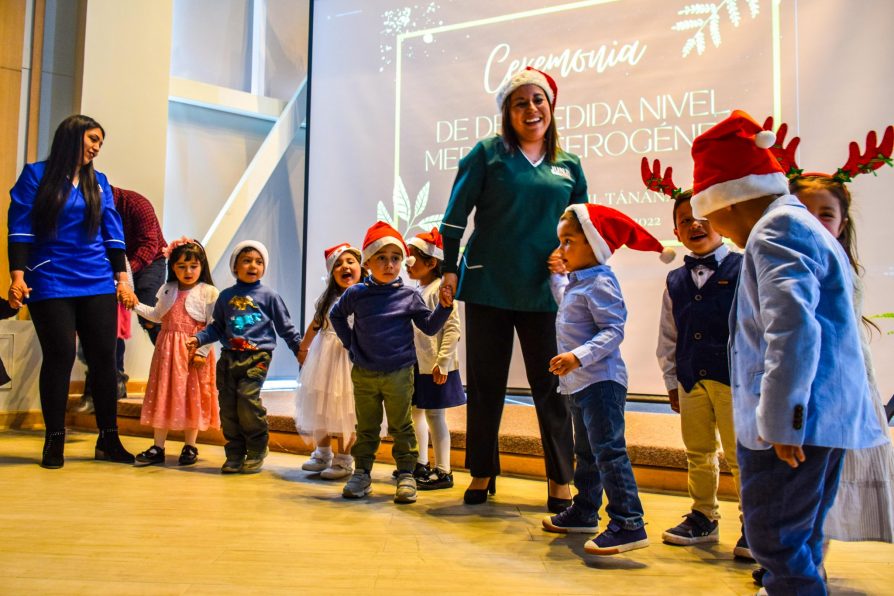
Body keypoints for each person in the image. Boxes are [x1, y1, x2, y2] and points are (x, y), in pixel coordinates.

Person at [689, 110, 888, 594]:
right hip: (821, 417)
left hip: (797, 423)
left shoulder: (776, 230)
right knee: (801, 535)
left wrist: (783, 420)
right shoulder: (798, 224)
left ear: (730, 201)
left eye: (708, 213)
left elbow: (792, 329)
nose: (711, 225)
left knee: (775, 538)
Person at [751, 122, 894, 587]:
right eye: (804, 212)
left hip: (820, 406)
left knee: (795, 518)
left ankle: (800, 577)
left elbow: (800, 335)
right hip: (809, 405)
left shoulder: (835, 271)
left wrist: (786, 417)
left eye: (825, 215)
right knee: (802, 517)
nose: (813, 223)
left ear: (842, 222)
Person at [439, 67, 587, 510]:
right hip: (489, 284)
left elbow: (581, 226)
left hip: (545, 289)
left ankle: (561, 479)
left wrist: (568, 255)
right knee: (486, 385)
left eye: (537, 100)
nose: (531, 109)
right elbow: (455, 215)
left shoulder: (569, 164)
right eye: (520, 102)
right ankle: (482, 471)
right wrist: (449, 268)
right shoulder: (487, 154)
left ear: (551, 107)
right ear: (507, 111)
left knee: (553, 387)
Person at [540, 203, 673, 555]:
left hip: (601, 382)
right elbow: (567, 308)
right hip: (580, 384)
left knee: (608, 452)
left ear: (594, 244)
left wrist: (576, 356)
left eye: (568, 241)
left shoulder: (600, 281)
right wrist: (557, 277)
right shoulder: (577, 284)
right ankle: (585, 511)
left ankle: (629, 522)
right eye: (561, 242)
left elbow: (613, 330)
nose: (561, 250)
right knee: (586, 452)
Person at [7, 114, 137, 468]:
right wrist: (17, 276)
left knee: (104, 360)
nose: (96, 147)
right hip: (50, 278)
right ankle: (54, 441)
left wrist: (121, 278)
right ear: (72, 137)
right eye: (92, 139)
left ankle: (108, 439)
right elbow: (20, 228)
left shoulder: (100, 182)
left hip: (96, 279)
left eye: (100, 142)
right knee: (61, 355)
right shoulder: (36, 175)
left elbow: (113, 233)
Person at [645, 159, 750, 557]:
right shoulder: (675, 279)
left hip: (733, 379)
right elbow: (668, 335)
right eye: (685, 220)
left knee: (741, 455)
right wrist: (672, 381)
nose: (695, 225)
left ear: (720, 220)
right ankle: (703, 515)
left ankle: (751, 522)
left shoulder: (744, 268)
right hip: (691, 380)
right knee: (698, 450)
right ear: (676, 232)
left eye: (703, 216)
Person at [330, 222, 454, 504]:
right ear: (369, 261)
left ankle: (407, 473)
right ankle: (361, 473)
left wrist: (444, 308)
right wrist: (351, 344)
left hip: (399, 372)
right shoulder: (357, 293)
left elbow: (430, 326)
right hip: (364, 372)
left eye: (396, 258)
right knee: (367, 427)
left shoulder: (409, 296)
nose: (389, 264)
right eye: (382, 258)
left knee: (402, 426)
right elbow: (336, 316)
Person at [187, 240, 302, 474]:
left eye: (259, 262)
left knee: (247, 398)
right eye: (247, 261)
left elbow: (286, 327)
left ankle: (258, 447)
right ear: (235, 267)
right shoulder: (226, 296)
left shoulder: (269, 296)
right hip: (229, 357)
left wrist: (299, 349)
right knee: (228, 406)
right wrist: (199, 339)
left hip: (257, 356)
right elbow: (216, 327)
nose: (253, 266)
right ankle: (235, 452)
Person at [131, 238, 220, 467]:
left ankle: (190, 445)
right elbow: (156, 314)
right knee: (164, 393)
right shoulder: (168, 289)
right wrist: (134, 304)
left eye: (193, 266)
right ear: (173, 267)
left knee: (192, 396)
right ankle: (158, 446)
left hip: (193, 353)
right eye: (181, 266)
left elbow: (214, 325)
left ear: (202, 266)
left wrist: (202, 351)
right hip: (168, 353)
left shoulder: (209, 292)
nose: (187, 271)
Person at [295, 243, 364, 480]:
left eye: (350, 262)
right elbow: (316, 324)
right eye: (338, 264)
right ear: (332, 272)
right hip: (323, 356)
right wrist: (303, 347)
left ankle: (344, 459)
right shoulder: (326, 298)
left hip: (350, 357)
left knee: (347, 408)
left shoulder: (365, 295)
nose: (345, 267)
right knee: (319, 404)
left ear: (360, 266)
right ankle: (322, 452)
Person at [404, 229, 464, 490]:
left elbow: (453, 328)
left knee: (435, 416)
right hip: (418, 364)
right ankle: (421, 462)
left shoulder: (441, 289)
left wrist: (443, 361)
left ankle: (444, 470)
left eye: (413, 257)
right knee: (416, 412)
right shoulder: (418, 289)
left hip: (436, 366)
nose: (407, 262)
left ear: (431, 262)